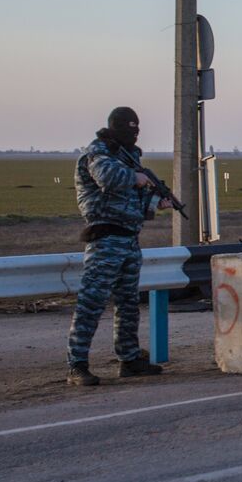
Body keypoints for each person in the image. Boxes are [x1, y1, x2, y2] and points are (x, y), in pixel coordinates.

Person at [66, 108, 172, 386]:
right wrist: (135, 177)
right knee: (91, 303)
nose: (134, 134)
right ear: (116, 128)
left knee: (127, 304)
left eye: (137, 129)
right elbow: (108, 179)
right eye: (129, 128)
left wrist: (155, 204)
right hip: (105, 239)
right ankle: (76, 364)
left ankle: (129, 358)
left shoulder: (129, 156)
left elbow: (134, 205)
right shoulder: (98, 154)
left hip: (128, 238)